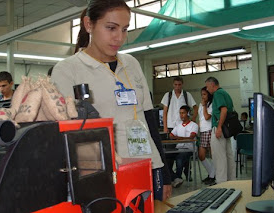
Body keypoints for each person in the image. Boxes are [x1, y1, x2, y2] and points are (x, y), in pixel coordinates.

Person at [51, 0, 172, 201]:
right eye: (111, 28)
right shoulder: (67, 70)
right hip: (105, 174)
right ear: (89, 24)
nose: (119, 38)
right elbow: (69, 134)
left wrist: (165, 174)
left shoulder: (131, 64)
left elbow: (149, 120)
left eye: (124, 30)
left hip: (149, 165)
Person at [205, 77, 236, 183]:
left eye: (208, 87)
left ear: (212, 84)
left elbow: (224, 110)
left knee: (219, 156)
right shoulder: (225, 93)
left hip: (219, 128)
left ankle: (221, 182)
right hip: (226, 128)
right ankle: (231, 179)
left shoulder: (217, 94)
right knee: (228, 155)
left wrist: (218, 127)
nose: (207, 90)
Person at [166, 105, 198, 188]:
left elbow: (191, 137)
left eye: (183, 113)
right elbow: (171, 135)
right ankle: (175, 178)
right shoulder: (178, 125)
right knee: (165, 157)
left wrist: (178, 138)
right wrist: (178, 138)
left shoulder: (194, 125)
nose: (181, 115)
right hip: (178, 148)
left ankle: (178, 177)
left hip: (189, 149)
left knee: (179, 158)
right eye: (180, 113)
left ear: (188, 113)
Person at [198, 87, 216, 185]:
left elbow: (207, 116)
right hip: (202, 131)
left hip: (209, 130)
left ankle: (212, 176)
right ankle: (211, 173)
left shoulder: (212, 104)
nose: (203, 96)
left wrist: (204, 106)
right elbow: (201, 118)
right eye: (202, 94)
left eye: (205, 94)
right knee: (201, 155)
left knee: (212, 155)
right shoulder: (201, 105)